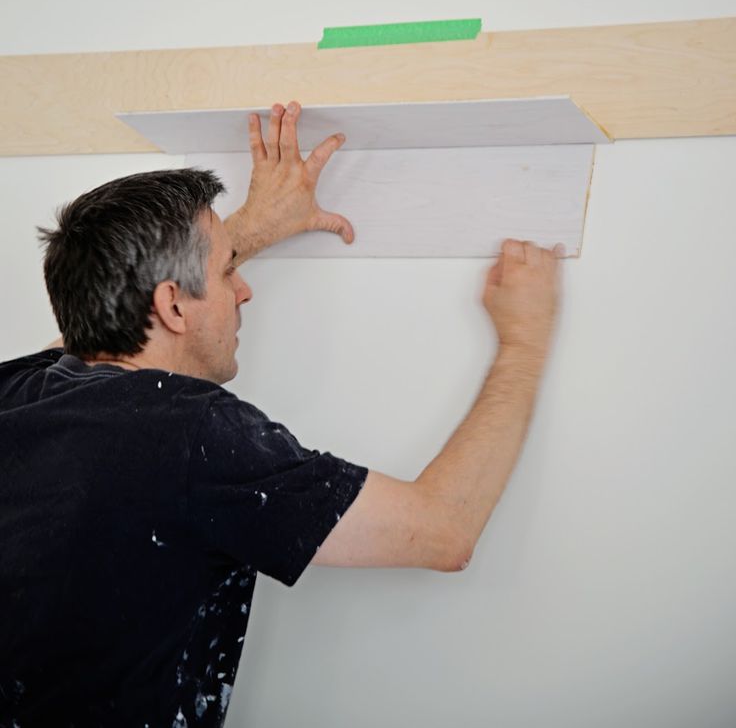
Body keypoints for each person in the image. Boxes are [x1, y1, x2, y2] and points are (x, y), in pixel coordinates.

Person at [0, 100, 563, 727]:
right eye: (225, 270)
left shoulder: (19, 388)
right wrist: (524, 343)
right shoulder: (191, 433)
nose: (244, 287)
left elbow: (107, 315)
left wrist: (252, 227)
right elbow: (443, 530)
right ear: (173, 306)